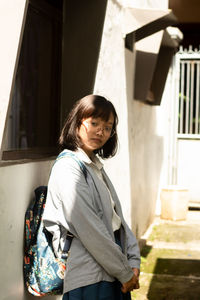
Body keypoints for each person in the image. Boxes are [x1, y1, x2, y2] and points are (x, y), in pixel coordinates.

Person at [43, 95, 140, 300]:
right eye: (94, 123)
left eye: (108, 127)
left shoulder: (93, 165)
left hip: (111, 268)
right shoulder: (68, 167)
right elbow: (90, 229)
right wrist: (124, 272)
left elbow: (117, 221)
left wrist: (133, 262)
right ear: (77, 123)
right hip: (89, 275)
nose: (100, 131)